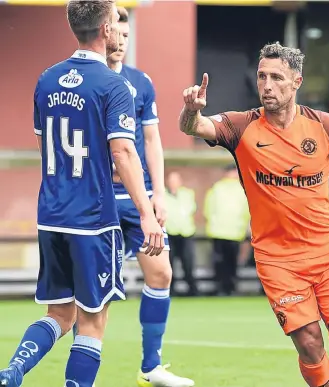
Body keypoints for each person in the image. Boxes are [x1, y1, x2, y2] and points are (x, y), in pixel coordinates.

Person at [178, 42, 329, 387]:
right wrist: (191, 111)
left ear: (296, 81)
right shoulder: (241, 126)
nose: (267, 85)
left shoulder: (323, 125)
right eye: (262, 77)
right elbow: (193, 127)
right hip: (277, 259)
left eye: (276, 77)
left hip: (326, 251)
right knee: (309, 344)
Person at [0, 1, 163, 386]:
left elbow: (47, 148)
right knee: (92, 320)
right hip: (93, 219)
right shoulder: (113, 84)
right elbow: (123, 152)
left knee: (59, 314)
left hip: (52, 214)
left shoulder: (47, 79)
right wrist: (147, 212)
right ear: (107, 29)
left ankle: (13, 370)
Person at [105, 7, 194, 386]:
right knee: (94, 295)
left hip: (138, 198)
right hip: (101, 199)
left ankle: (150, 367)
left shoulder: (140, 82)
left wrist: (158, 193)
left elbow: (153, 140)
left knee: (161, 273)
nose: (122, 43)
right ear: (101, 31)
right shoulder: (88, 81)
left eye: (128, 37)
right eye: (117, 35)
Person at [204, 165, 250, 296]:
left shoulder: (217, 188)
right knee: (231, 262)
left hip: (220, 230)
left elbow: (209, 208)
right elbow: (247, 210)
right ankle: (230, 287)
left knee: (222, 262)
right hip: (233, 231)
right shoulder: (241, 189)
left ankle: (223, 288)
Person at [165, 171, 198, 297]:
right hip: (169, 233)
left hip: (186, 233)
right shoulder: (162, 194)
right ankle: (170, 290)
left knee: (188, 263)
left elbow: (190, 209)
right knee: (169, 263)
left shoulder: (187, 194)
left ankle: (193, 290)